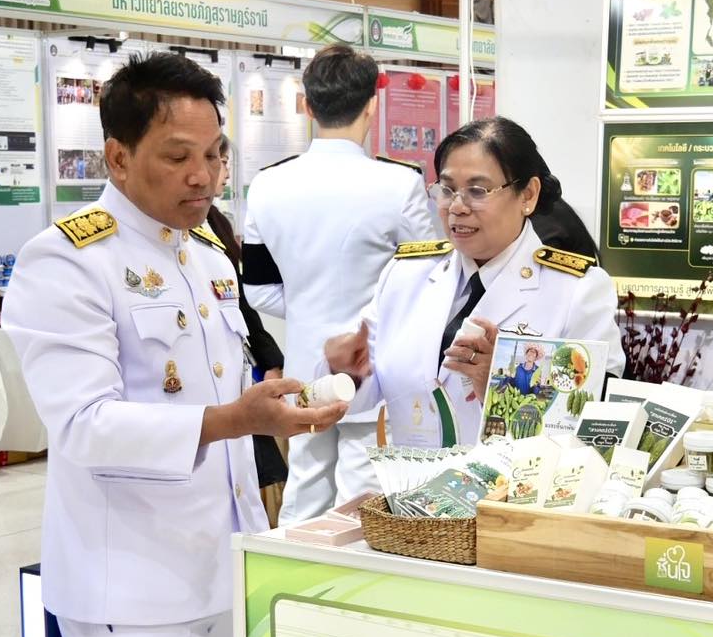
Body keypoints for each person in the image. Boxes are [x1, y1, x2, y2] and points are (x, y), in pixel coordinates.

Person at [2, 52, 348, 637]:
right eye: (177, 156)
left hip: (213, 559)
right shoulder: (66, 260)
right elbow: (85, 425)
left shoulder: (205, 256)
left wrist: (304, 385)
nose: (203, 176)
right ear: (117, 157)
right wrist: (237, 418)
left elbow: (229, 388)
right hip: (130, 579)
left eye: (216, 154)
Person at [322, 117, 625, 447]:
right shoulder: (406, 275)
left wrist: (501, 388)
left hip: (510, 480)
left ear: (528, 194)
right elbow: (364, 395)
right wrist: (347, 372)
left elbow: (594, 428)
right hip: (408, 476)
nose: (456, 207)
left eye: (477, 191)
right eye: (447, 189)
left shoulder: (577, 290)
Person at [242, 43, 433, 519]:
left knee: (303, 492)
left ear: (307, 106)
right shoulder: (399, 183)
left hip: (304, 364)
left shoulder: (267, 183)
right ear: (372, 104)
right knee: (364, 496)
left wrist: (306, 307)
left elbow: (258, 289)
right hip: (376, 365)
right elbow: (426, 279)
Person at [207, 138, 288, 521]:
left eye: (219, 159)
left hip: (241, 363)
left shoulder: (216, 223)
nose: (221, 172)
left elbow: (240, 304)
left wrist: (269, 358)